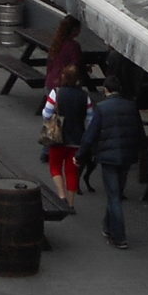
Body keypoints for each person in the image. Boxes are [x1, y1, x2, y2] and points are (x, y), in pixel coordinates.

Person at [77, 80, 146, 248]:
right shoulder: (131, 106)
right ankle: (108, 226)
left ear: (105, 90)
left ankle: (119, 236)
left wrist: (80, 155)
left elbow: (90, 135)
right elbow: (139, 131)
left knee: (113, 196)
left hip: (108, 156)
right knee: (117, 191)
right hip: (126, 155)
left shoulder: (101, 108)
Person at [42, 63, 89, 196]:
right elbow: (90, 118)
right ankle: (71, 203)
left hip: (58, 137)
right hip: (77, 137)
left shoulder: (56, 93)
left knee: (55, 167)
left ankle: (61, 195)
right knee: (72, 171)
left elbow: (46, 114)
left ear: (63, 77)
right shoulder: (85, 96)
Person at [41, 15, 83, 94]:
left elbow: (50, 64)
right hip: (63, 85)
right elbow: (75, 64)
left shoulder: (56, 43)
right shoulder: (73, 46)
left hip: (50, 82)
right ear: (74, 30)